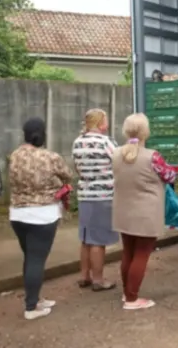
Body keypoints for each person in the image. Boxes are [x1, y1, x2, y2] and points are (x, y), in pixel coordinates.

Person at [7, 117, 74, 320]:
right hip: (43, 215)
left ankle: (35, 298)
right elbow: (68, 175)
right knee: (37, 260)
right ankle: (31, 307)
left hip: (18, 213)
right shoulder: (50, 157)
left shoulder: (15, 155)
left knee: (30, 257)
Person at [111, 113, 177, 310]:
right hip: (146, 213)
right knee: (141, 254)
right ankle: (132, 299)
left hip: (123, 211)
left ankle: (127, 292)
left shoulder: (115, 153)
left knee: (128, 253)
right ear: (145, 132)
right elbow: (170, 176)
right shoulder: (153, 156)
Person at [71, 108, 118, 292]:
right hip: (103, 196)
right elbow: (118, 162)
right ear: (100, 123)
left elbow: (77, 167)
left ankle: (84, 276)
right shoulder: (105, 142)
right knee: (98, 240)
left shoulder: (77, 142)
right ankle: (99, 280)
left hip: (84, 194)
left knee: (86, 238)